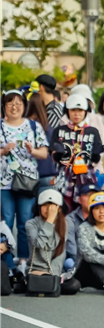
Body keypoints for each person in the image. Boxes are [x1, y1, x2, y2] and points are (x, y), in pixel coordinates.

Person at [1, 89, 50, 269]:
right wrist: (3, 151)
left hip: (27, 181)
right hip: (3, 182)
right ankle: (6, 260)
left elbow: (44, 153)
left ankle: (23, 259)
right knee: (6, 220)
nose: (14, 107)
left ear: (24, 106)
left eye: (18, 103)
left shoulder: (33, 126)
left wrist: (32, 151)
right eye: (10, 103)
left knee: (24, 220)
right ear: (4, 106)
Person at [25, 188, 80, 295]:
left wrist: (55, 275)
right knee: (47, 286)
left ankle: (51, 285)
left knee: (74, 285)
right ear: (39, 207)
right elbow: (40, 244)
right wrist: (49, 222)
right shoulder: (31, 224)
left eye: (52, 206)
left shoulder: (65, 223)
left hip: (55, 273)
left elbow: (60, 256)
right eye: (45, 205)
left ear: (59, 208)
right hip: (37, 271)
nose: (48, 209)